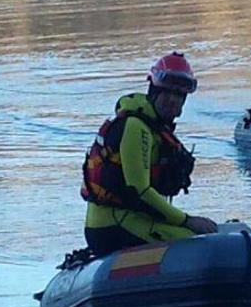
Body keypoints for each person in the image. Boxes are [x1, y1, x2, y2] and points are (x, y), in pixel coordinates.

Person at [81, 52, 218, 256]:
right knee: (202, 245)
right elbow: (140, 190)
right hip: (113, 225)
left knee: (205, 236)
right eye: (167, 93)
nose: (173, 100)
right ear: (154, 91)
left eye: (179, 95)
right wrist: (187, 220)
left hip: (133, 219)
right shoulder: (136, 127)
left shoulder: (155, 129)